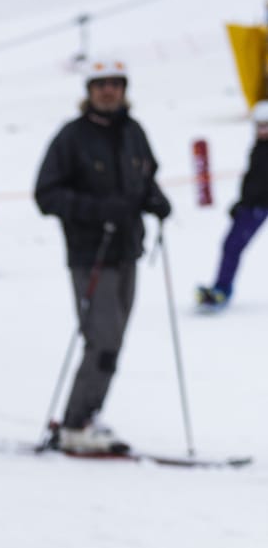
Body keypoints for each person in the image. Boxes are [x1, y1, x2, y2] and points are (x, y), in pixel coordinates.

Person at [34, 56, 171, 454]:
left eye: (115, 83)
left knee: (114, 339)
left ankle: (88, 414)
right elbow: (47, 194)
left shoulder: (134, 132)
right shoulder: (72, 136)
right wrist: (98, 210)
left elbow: (145, 178)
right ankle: (76, 424)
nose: (108, 90)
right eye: (100, 84)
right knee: (103, 339)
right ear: (89, 91)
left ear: (124, 89)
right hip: (90, 253)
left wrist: (156, 199)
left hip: (128, 251)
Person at [196, 100, 268, 309]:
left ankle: (222, 289)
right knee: (230, 246)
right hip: (250, 206)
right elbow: (253, 181)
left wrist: (251, 204)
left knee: (233, 245)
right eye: (259, 126)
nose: (262, 130)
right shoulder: (259, 147)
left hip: (258, 207)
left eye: (266, 125)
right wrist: (241, 203)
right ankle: (221, 287)